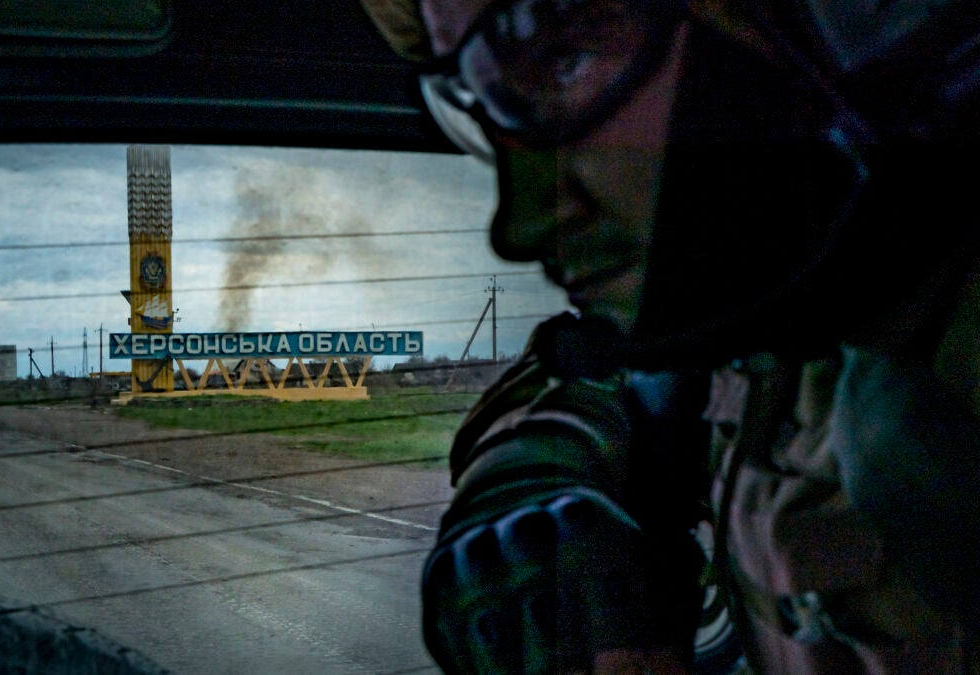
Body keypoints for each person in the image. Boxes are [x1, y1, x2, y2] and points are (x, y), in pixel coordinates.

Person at [360, 0, 980, 672]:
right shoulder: (765, 325)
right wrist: (534, 481)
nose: (525, 224)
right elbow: (601, 380)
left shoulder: (924, 386)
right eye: (481, 110)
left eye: (565, 56)